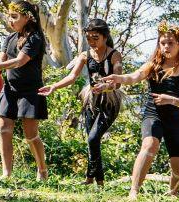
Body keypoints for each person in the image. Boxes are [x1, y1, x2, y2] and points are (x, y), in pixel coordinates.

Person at [97, 23, 179, 198]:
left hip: (175, 121)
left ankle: (172, 194)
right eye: (162, 43)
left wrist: (171, 100)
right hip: (153, 115)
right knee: (149, 144)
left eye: (170, 43)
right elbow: (133, 77)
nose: (166, 46)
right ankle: (134, 191)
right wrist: (117, 78)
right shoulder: (152, 65)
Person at [40, 17, 123, 187]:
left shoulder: (114, 55)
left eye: (96, 38)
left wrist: (106, 87)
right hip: (91, 100)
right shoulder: (85, 55)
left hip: (109, 101)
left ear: (105, 37)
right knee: (91, 140)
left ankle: (92, 178)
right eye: (89, 38)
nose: (91, 41)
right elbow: (72, 76)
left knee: (93, 138)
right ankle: (96, 181)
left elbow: (118, 81)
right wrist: (54, 86)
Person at [0, 1, 50, 180]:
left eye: (14, 17)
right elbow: (1, 60)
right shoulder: (10, 38)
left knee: (31, 135)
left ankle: (42, 170)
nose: (10, 20)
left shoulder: (35, 38)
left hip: (31, 91)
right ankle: (6, 173)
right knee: (4, 129)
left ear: (27, 17)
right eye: (9, 16)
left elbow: (19, 61)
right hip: (10, 89)